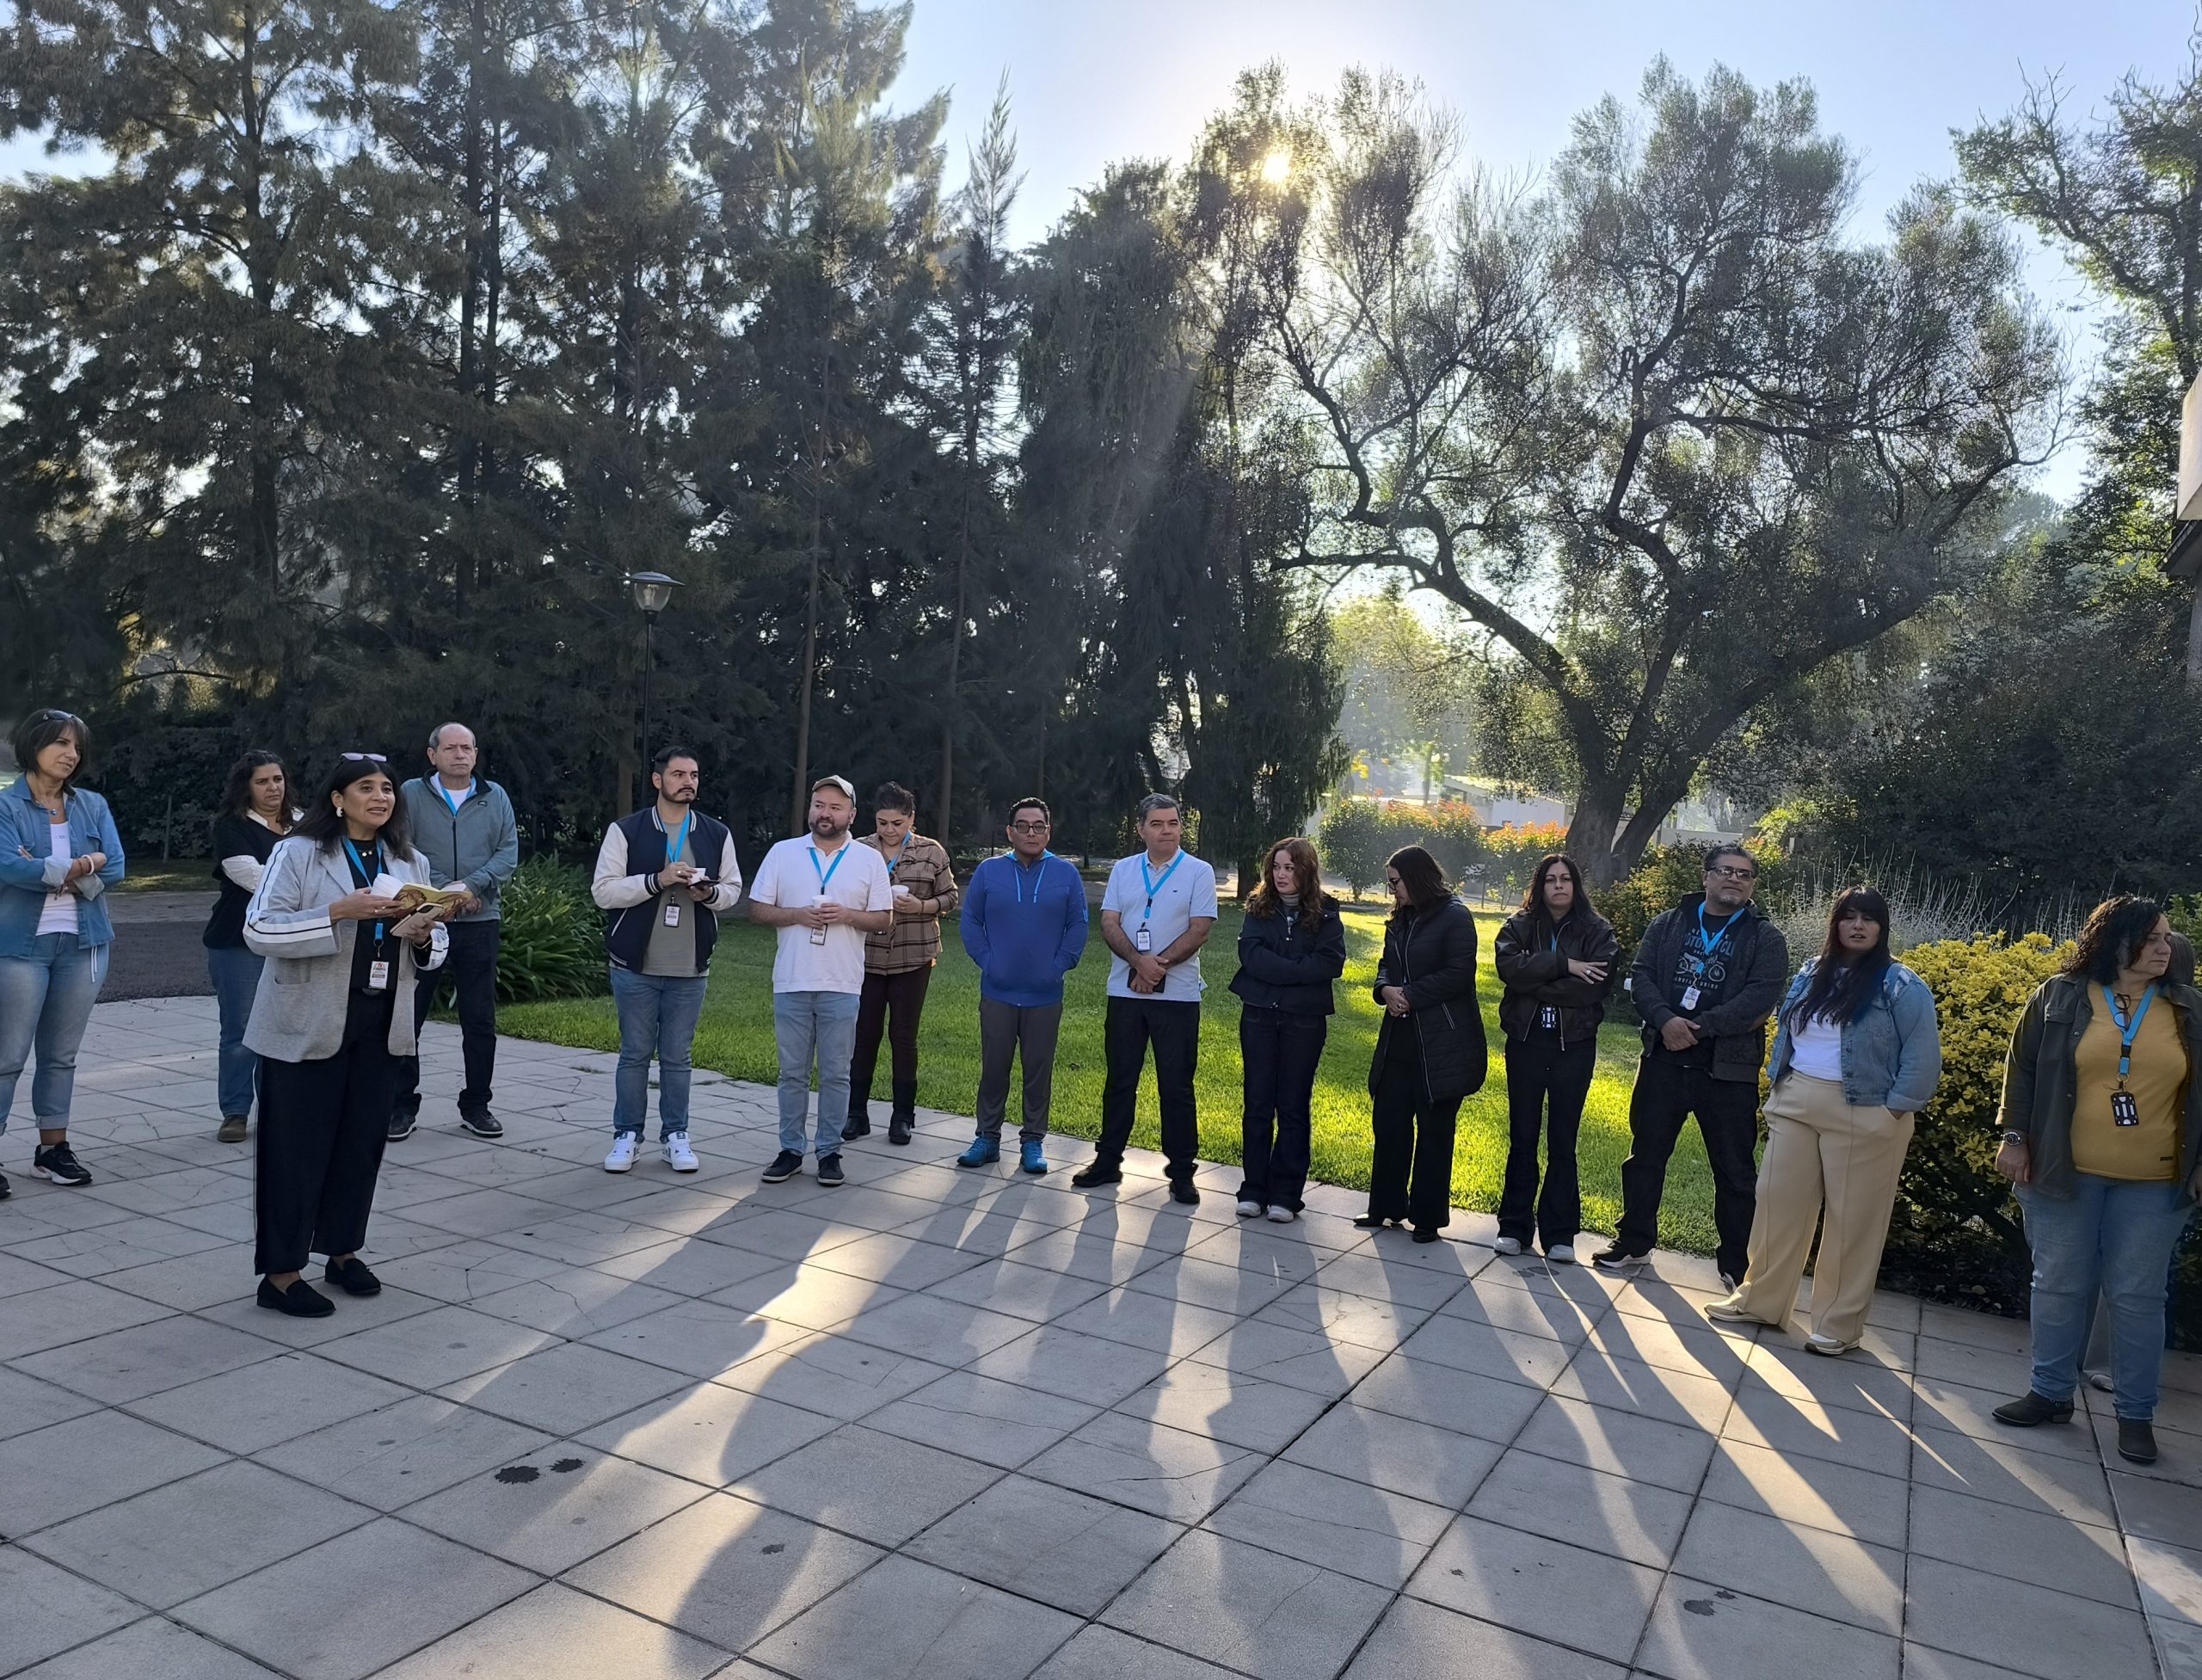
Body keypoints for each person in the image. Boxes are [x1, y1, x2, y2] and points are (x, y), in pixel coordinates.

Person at [1990, 897, 2202, 1467]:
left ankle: (2136, 1416)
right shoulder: (2059, 995)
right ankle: (2050, 1393)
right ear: (2116, 942)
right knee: (2058, 1283)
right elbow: (2022, 1067)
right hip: (2064, 1172)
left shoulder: (2188, 1008)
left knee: (2137, 1297)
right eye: (2152, 938)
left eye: (2166, 939)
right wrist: (2014, 1136)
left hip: (2156, 1183)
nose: (2164, 948)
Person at [243, 754, 452, 1316]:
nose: (381, 797)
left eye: (387, 788)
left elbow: (434, 949)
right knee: (295, 1151)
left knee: (360, 1146)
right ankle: (281, 1274)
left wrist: (425, 933)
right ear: (338, 799)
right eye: (366, 788)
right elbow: (259, 929)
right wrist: (337, 911)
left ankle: (341, 1251)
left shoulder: (409, 860)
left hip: (380, 1022)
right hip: (306, 1021)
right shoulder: (298, 852)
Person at [1705, 888, 1942, 1354]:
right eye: (1848, 917)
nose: (1858, 926)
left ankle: (1838, 1325)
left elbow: (1922, 1056)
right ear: (1835, 924)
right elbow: (1789, 1030)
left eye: (1868, 919)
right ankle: (1761, 1301)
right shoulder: (1812, 971)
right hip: (1797, 1101)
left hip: (1866, 1110)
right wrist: (1779, 1084)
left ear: (1882, 927)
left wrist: (1895, 1109)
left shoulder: (1900, 984)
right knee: (1776, 1206)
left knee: (1853, 1224)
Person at [1596, 844, 1788, 1288]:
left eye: (1744, 874)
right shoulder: (1669, 924)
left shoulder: (1765, 937)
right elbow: (1642, 976)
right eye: (1725, 870)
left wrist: (1696, 1029)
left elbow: (1760, 998)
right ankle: (1634, 1242)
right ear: (1706, 877)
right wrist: (1666, 1021)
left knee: (1735, 1171)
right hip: (1663, 1061)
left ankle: (1736, 1264)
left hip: (1727, 1072)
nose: (1734, 879)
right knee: (1645, 1157)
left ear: (1752, 885)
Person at [589, 745, 744, 1174]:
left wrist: (708, 893)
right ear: (658, 780)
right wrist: (657, 880)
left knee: (678, 1057)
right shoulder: (627, 830)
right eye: (678, 775)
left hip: (690, 966)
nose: (687, 782)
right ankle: (627, 1136)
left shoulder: (716, 833)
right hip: (634, 965)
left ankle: (676, 1136)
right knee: (634, 1054)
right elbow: (603, 891)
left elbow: (733, 890)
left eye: (693, 775)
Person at [747, 776, 894, 1187]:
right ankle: (791, 1150)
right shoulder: (783, 852)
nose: (825, 813)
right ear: (809, 809)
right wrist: (797, 915)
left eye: (834, 807)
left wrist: (846, 915)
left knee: (836, 1074)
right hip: (791, 981)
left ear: (852, 814)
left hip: (842, 982)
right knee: (792, 1073)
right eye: (819, 805)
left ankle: (829, 1151)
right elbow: (757, 909)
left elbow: (884, 919)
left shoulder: (868, 860)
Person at [0, 708, 123, 1194]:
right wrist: (86, 866)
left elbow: (116, 867)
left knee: (61, 1056)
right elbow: (9, 867)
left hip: (84, 946)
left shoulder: (92, 805)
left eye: (77, 746)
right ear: (34, 745)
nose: (71, 754)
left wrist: (55, 869)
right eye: (61, 743)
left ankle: (53, 1150)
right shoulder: (6, 806)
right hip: (19, 948)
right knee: (7, 1056)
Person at [1073, 794, 1219, 1204]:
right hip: (1125, 993)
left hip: (1179, 997)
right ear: (1140, 829)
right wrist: (1138, 963)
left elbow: (1200, 929)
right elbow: (1109, 922)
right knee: (1120, 1080)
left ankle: (1182, 1172)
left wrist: (1156, 968)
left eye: (1173, 823)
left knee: (1176, 1086)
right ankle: (1107, 1161)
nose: (1166, 831)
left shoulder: (1199, 871)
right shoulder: (1123, 869)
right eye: (1156, 824)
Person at [391, 723, 520, 1142]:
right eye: (451, 748)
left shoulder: (495, 796)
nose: (460, 755)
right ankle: (401, 1107)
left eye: (467, 747)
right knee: (409, 1017)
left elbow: (508, 852)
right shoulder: (410, 794)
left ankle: (477, 1105)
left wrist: (473, 887)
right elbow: (402, 847)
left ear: (476, 754)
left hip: (480, 924)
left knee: (479, 1020)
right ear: (433, 755)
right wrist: (446, 893)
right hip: (424, 923)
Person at [1492, 852, 1618, 1264]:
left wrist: (1536, 980)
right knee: (1522, 1137)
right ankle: (1514, 1227)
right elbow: (1509, 969)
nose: (1559, 886)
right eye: (1550, 879)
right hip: (1526, 1043)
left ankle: (1560, 1234)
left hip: (1574, 1047)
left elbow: (1593, 987)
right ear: (1540, 885)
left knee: (1563, 1141)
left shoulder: (1597, 930)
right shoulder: (1519, 925)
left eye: (1566, 878)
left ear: (1576, 885)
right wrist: (1565, 965)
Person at [1360, 845, 1486, 1242]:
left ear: (1415, 878)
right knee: (1389, 1127)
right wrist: (1385, 990)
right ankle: (1385, 1207)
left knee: (1435, 1135)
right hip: (1398, 1042)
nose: (1392, 890)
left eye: (1395, 882)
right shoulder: (1401, 918)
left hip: (1441, 1046)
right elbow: (1386, 965)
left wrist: (1411, 995)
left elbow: (1459, 974)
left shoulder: (1455, 916)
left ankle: (1427, 1219)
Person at [958, 798, 1090, 1173]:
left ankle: (1033, 1141)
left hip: (1044, 995)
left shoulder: (1065, 874)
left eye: (1038, 826)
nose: (1031, 832)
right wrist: (988, 961)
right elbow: (970, 920)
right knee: (993, 1068)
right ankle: (987, 1138)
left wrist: (1059, 966)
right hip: (998, 992)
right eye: (1023, 826)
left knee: (1038, 1070)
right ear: (1010, 832)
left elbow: (1078, 925)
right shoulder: (989, 871)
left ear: (1049, 831)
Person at [1230, 836, 1346, 1222]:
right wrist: (1295, 971)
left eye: (1290, 868)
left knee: (1293, 1105)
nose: (1281, 875)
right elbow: (1250, 954)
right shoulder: (1258, 906)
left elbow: (1329, 962)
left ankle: (1285, 1194)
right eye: (1277, 867)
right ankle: (1253, 1189)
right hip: (1259, 1016)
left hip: (1304, 1020)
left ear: (1306, 871)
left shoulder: (1327, 912)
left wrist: (1281, 972)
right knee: (1257, 1103)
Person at [844, 782, 959, 1147]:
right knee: (864, 1035)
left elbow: (950, 897)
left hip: (914, 956)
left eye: (897, 823)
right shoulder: (858, 849)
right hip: (866, 956)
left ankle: (903, 1117)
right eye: (882, 823)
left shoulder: (931, 852)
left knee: (904, 1036)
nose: (889, 830)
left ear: (911, 819)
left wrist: (922, 906)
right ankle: (856, 1114)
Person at [202, 751, 298, 1142]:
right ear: (246, 787)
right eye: (262, 781)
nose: (273, 788)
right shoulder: (232, 826)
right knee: (240, 1031)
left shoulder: (305, 824)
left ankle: (279, 1111)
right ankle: (236, 1112)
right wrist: (306, 889)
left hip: (293, 939)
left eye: (277, 779)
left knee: (286, 1029)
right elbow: (255, 880)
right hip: (237, 942)